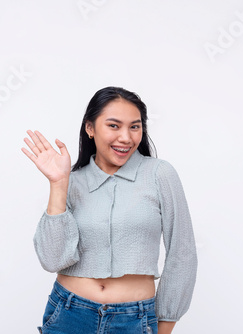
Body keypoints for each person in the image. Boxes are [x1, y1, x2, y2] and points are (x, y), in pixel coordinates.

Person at [21, 86, 197, 334]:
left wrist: (165, 325)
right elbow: (53, 260)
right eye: (114, 126)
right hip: (69, 314)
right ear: (90, 128)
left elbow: (182, 252)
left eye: (134, 127)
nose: (126, 137)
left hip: (134, 319)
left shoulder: (160, 174)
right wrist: (58, 184)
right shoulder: (72, 180)